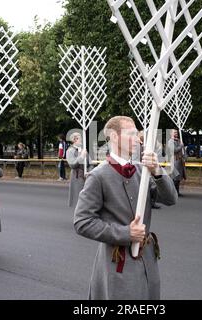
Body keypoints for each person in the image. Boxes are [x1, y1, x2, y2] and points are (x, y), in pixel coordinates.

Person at [74, 116, 178, 300]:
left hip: (147, 260)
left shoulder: (142, 171)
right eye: (131, 134)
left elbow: (171, 199)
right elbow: (82, 222)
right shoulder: (98, 176)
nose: (138, 139)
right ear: (114, 137)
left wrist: (158, 171)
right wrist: (125, 233)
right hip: (117, 264)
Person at [67, 132, 93, 207]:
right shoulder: (70, 151)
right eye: (80, 138)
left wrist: (89, 171)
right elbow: (72, 164)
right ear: (75, 139)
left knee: (87, 199)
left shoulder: (83, 150)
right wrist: (81, 157)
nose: (81, 140)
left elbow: (90, 163)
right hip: (77, 177)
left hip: (86, 177)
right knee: (78, 200)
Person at [166, 129, 186, 197]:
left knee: (178, 178)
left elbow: (182, 150)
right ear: (171, 134)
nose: (176, 133)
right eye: (174, 132)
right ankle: (173, 193)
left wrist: (184, 156)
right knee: (175, 178)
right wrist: (181, 146)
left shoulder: (178, 140)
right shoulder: (170, 142)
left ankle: (177, 192)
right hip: (174, 161)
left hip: (180, 161)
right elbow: (174, 150)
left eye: (176, 132)